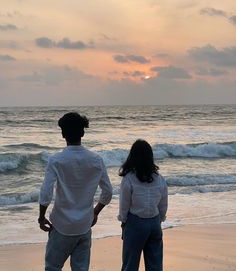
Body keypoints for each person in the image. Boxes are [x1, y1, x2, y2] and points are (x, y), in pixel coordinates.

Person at [38, 112, 113, 271]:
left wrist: (41, 216)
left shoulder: (56, 160)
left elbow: (46, 193)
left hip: (61, 225)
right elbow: (107, 192)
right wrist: (95, 211)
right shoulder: (96, 160)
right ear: (83, 133)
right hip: (84, 225)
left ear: (63, 134)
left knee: (53, 267)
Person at [118, 139, 168, 271]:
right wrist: (160, 219)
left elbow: (124, 205)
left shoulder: (129, 178)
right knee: (155, 264)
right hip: (154, 222)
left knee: (130, 264)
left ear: (132, 157)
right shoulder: (159, 178)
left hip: (135, 223)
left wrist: (123, 222)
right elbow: (163, 203)